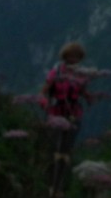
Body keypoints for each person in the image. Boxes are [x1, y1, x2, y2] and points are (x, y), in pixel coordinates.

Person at [41, 41, 100, 198]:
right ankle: (50, 185)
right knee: (54, 148)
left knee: (66, 150)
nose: (74, 59)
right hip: (57, 111)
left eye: (77, 57)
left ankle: (59, 187)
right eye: (71, 56)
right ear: (65, 56)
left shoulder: (80, 74)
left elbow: (81, 90)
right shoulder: (57, 72)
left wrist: (88, 97)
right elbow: (45, 89)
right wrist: (44, 103)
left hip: (73, 112)